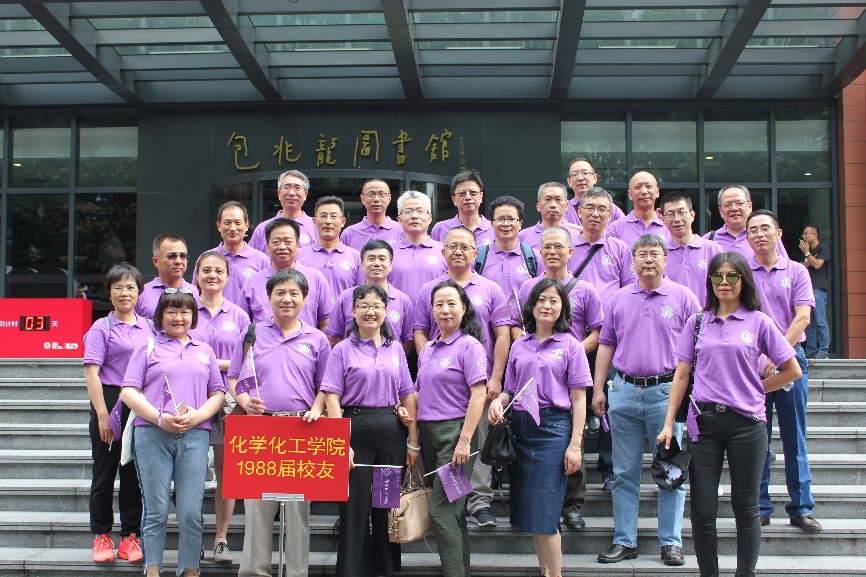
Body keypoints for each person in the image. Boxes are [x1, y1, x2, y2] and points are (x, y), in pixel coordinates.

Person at [658, 251, 802, 577]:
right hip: (704, 424)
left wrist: (757, 389)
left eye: (732, 276)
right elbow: (681, 376)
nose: (724, 282)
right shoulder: (697, 323)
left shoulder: (759, 321)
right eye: (717, 276)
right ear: (709, 281)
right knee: (702, 509)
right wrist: (668, 423)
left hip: (747, 424)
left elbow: (792, 370)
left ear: (743, 280)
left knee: (746, 507)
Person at [592, 234, 700, 566]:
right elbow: (606, 345)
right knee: (624, 473)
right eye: (642, 254)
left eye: (654, 253)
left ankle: (671, 543)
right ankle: (624, 540)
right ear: (633, 261)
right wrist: (598, 389)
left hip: (667, 395)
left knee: (670, 470)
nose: (648, 259)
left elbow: (700, 347)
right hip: (623, 392)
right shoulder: (618, 298)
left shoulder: (684, 298)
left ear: (665, 259)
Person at [228, 267, 331, 577]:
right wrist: (244, 401)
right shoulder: (253, 334)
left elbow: (326, 385)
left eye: (293, 293)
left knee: (298, 513)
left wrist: (317, 409)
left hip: (301, 431)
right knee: (257, 509)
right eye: (280, 293)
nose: (287, 299)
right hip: (260, 429)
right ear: (268, 297)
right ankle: (254, 572)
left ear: (304, 299)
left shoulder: (317, 339)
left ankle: (296, 573)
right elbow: (233, 378)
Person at [414, 226, 515, 528]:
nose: (458, 251)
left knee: (477, 438)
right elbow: (420, 332)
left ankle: (479, 501)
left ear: (475, 253)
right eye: (452, 246)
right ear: (442, 252)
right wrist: (430, 365)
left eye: (465, 247)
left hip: (477, 381)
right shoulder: (429, 290)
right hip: (441, 385)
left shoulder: (490, 288)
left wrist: (496, 377)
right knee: (448, 445)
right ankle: (450, 502)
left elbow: (502, 335)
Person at [489, 278, 591, 577]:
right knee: (531, 510)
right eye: (541, 300)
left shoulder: (571, 345)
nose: (547, 305)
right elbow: (511, 390)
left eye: (554, 300)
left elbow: (579, 398)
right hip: (521, 429)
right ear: (531, 306)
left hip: (553, 430)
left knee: (546, 511)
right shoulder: (520, 345)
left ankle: (556, 574)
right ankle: (544, 570)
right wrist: (498, 403)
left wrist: (575, 445)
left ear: (563, 308)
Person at [120, 289, 226, 577]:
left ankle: (190, 570)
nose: (178, 317)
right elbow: (128, 391)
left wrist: (198, 416)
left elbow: (218, 393)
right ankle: (152, 570)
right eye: (172, 311)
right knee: (156, 510)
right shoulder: (147, 347)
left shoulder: (204, 350)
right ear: (160, 316)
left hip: (195, 436)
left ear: (193, 316)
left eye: (185, 312)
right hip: (152, 435)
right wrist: (159, 418)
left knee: (190, 511)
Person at [321, 284, 419, 577]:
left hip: (391, 434)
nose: (370, 312)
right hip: (355, 432)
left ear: (386, 311)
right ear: (353, 311)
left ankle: (385, 569)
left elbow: (407, 394)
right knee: (354, 507)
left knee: (386, 505)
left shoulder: (395, 349)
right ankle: (352, 570)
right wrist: (341, 442)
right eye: (363, 306)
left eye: (376, 306)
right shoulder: (341, 349)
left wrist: (413, 441)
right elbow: (332, 396)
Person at [561, 187, 634, 527]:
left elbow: (629, 290)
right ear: (578, 212)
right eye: (588, 208)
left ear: (610, 214)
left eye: (602, 208)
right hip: (572, 339)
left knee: (610, 404)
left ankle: (607, 467)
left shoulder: (620, 248)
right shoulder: (568, 246)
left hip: (610, 340)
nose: (594, 214)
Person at [746, 210, 822, 532]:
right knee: (756, 438)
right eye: (753, 230)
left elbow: (802, 317)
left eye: (765, 228)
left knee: (795, 436)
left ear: (778, 234)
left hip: (790, 362)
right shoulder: (740, 272)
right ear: (747, 238)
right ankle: (759, 506)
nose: (759, 234)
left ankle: (801, 508)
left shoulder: (797, 271)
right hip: (751, 365)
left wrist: (776, 355)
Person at [416, 280, 487, 577]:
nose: (445, 310)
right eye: (439, 304)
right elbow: (420, 391)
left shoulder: (469, 346)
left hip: (454, 436)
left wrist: (465, 440)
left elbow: (479, 394)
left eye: (451, 304)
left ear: (464, 308)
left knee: (441, 512)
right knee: (454, 514)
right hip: (428, 435)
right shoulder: (428, 348)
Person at [82, 263, 150, 563]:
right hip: (111, 401)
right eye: (118, 287)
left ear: (139, 292)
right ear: (109, 293)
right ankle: (101, 535)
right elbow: (92, 373)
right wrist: (102, 415)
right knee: (105, 472)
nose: (125, 293)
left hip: (140, 404)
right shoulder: (102, 327)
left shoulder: (148, 327)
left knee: (133, 474)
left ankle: (130, 537)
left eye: (130, 287)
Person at [187, 251, 250, 564]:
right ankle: (192, 538)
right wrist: (221, 362)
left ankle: (221, 539)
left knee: (226, 472)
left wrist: (209, 361)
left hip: (229, 403)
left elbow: (247, 361)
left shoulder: (239, 316)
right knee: (191, 471)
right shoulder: (186, 310)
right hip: (192, 399)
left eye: (218, 271)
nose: (212, 276)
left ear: (227, 277)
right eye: (206, 270)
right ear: (197, 275)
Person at [242, 217, 333, 330]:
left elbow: (326, 323)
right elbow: (244, 326)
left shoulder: (316, 278)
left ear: (297, 245)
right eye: (276, 242)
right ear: (267, 247)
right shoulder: (251, 283)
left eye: (288, 241)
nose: (282, 247)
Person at [327, 239, 415, 354]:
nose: (377, 263)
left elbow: (408, 339)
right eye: (371, 259)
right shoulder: (346, 297)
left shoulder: (403, 300)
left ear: (390, 265)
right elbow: (334, 334)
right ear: (362, 265)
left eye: (382, 259)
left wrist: (393, 358)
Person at [191, 201, 270, 310]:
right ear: (219, 226)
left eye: (238, 223)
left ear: (246, 225)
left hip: (249, 320)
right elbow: (195, 294)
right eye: (227, 223)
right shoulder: (206, 258)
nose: (232, 228)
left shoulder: (261, 260)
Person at [477, 195, 544, 320]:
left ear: (520, 223)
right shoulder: (478, 257)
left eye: (511, 219)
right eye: (500, 219)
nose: (506, 224)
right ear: (492, 223)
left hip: (523, 328)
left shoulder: (534, 257)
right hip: (486, 327)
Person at [659, 192, 722, 304]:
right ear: (662, 219)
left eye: (681, 212)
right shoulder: (659, 254)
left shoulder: (712, 249)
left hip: (706, 314)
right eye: (670, 214)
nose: (677, 219)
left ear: (692, 215)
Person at [297, 196, 362, 297]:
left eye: (333, 216)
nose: (328, 221)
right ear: (314, 221)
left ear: (343, 222)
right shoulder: (299, 255)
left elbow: (361, 293)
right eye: (323, 216)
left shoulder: (355, 257)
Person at [388, 190, 447, 298]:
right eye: (408, 211)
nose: (414, 216)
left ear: (430, 218)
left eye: (420, 211)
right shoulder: (388, 252)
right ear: (399, 219)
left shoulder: (444, 251)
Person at [703, 185, 788, 259]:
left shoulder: (767, 236)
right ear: (720, 211)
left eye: (739, 203)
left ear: (750, 206)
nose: (734, 208)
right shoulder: (709, 239)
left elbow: (784, 267)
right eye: (727, 205)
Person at [249, 170, 317, 252]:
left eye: (297, 188)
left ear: (305, 194)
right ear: (279, 193)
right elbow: (251, 258)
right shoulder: (262, 229)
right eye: (287, 187)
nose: (292, 193)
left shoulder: (316, 227)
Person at [135, 234, 198, 319]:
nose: (178, 261)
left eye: (183, 256)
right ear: (156, 261)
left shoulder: (196, 293)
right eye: (172, 256)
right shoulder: (141, 294)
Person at [430, 169, 495, 247]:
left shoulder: (494, 229)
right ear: (454, 199)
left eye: (472, 192)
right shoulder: (440, 229)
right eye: (462, 193)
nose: (468, 197)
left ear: (481, 196)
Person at [607, 171, 669, 248]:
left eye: (649, 186)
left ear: (657, 192)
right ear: (630, 194)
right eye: (638, 187)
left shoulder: (669, 225)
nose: (644, 191)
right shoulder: (616, 228)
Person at [340, 178, 403, 250]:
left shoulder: (401, 231)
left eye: (381, 194)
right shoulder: (349, 234)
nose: (376, 199)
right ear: (362, 199)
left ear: (389, 198)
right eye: (371, 194)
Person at [563, 157, 625, 225]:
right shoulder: (564, 208)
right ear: (569, 182)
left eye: (585, 173)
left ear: (595, 178)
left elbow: (624, 227)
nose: (580, 178)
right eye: (575, 174)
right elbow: (560, 226)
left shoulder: (611, 208)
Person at [800, 225, 831, 359]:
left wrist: (808, 254)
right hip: (806, 288)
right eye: (803, 234)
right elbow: (801, 267)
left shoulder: (822, 248)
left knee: (820, 320)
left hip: (818, 288)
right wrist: (810, 261)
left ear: (815, 235)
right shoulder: (806, 251)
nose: (804, 236)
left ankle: (823, 350)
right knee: (808, 322)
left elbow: (818, 265)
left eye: (806, 234)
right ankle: (811, 349)